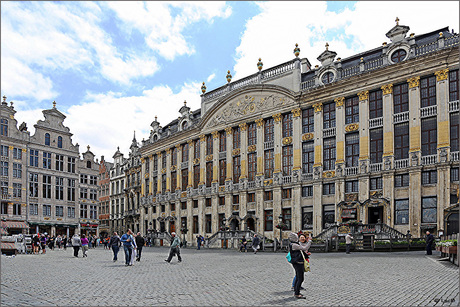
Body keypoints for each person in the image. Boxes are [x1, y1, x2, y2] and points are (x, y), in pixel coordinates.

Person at [289, 232, 312, 299]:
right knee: (300, 278)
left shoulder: (294, 244)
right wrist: (309, 241)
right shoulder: (294, 245)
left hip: (297, 262)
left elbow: (301, 251)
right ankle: (297, 293)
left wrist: (306, 255)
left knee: (298, 277)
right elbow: (305, 248)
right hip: (298, 262)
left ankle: (297, 291)